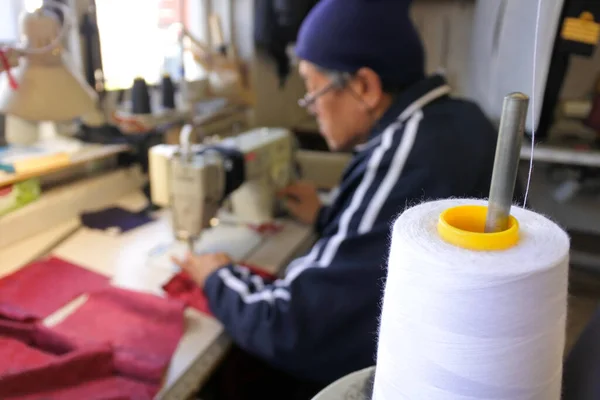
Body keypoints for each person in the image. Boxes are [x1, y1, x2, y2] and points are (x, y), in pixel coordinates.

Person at [174, 0, 515, 398]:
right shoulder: (459, 118)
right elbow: (383, 244)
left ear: (365, 87)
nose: (311, 107)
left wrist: (216, 276)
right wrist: (326, 215)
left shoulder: (403, 153)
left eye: (312, 89)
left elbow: (291, 324)